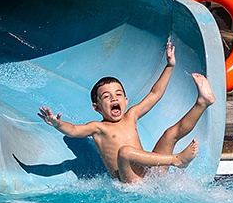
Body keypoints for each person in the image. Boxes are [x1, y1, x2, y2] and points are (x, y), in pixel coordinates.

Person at [37, 41, 215, 184]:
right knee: (125, 152)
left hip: (151, 174)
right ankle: (176, 160)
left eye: (118, 95)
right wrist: (57, 123)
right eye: (106, 97)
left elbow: (155, 94)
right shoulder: (98, 128)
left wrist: (169, 66)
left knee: (170, 134)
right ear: (96, 107)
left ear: (126, 101)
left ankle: (202, 103)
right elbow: (74, 131)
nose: (114, 99)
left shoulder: (131, 115)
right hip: (131, 182)